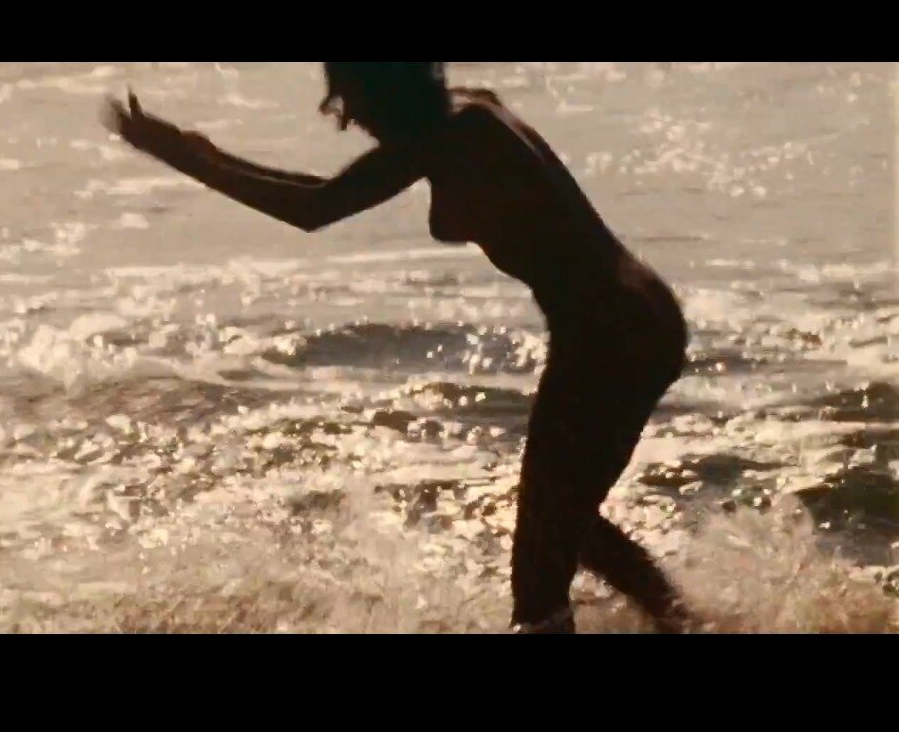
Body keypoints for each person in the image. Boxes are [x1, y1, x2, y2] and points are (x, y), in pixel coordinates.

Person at [103, 62, 693, 634]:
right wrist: (208, 154)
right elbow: (324, 191)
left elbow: (313, 209)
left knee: (541, 566)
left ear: (389, 87)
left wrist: (187, 159)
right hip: (628, 322)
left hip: (608, 334)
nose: (348, 120)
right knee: (566, 523)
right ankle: (688, 624)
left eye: (352, 99)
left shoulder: (452, 135)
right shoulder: (465, 116)